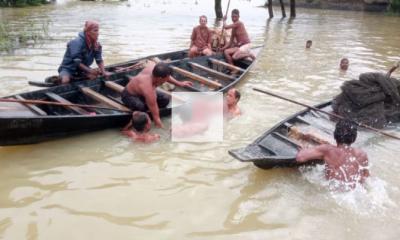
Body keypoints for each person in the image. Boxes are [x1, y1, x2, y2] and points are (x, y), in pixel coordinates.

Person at [296, 119, 369, 190]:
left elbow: (300, 157)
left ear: (335, 135)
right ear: (354, 138)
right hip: (355, 192)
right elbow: (366, 177)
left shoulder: (327, 150)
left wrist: (303, 149)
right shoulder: (362, 154)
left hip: (334, 190)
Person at [122, 61, 193, 128]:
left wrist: (180, 83)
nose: (166, 81)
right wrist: (158, 121)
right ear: (159, 78)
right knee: (141, 107)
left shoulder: (155, 69)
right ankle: (145, 109)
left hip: (144, 94)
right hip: (129, 95)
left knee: (165, 99)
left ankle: (147, 105)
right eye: (165, 80)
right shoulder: (147, 86)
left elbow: (167, 76)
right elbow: (153, 106)